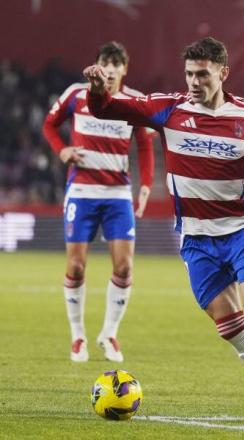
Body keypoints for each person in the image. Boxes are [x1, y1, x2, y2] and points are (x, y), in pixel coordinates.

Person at [82, 37, 244, 421]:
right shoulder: (168, 109)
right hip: (196, 238)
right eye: (189, 74)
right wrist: (98, 93)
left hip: (241, 228)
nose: (194, 81)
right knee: (230, 329)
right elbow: (109, 109)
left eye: (202, 74)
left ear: (223, 72)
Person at [43, 41, 155, 363]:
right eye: (105, 62)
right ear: (96, 66)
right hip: (81, 190)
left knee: (124, 266)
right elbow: (49, 125)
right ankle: (77, 335)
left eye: (117, 63)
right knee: (76, 266)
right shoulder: (76, 94)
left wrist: (146, 186)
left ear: (125, 69)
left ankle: (109, 334)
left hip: (118, 193)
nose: (110, 68)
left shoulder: (134, 102)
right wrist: (62, 150)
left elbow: (146, 147)